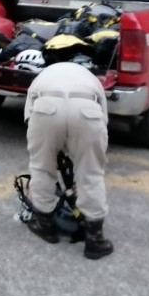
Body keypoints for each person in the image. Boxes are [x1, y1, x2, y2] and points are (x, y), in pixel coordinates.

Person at [24, 62, 114, 259]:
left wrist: (52, 153)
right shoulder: (91, 79)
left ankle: (44, 224)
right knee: (91, 174)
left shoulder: (43, 75)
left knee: (41, 168)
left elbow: (29, 116)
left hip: (45, 107)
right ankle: (95, 239)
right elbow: (103, 120)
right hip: (87, 109)